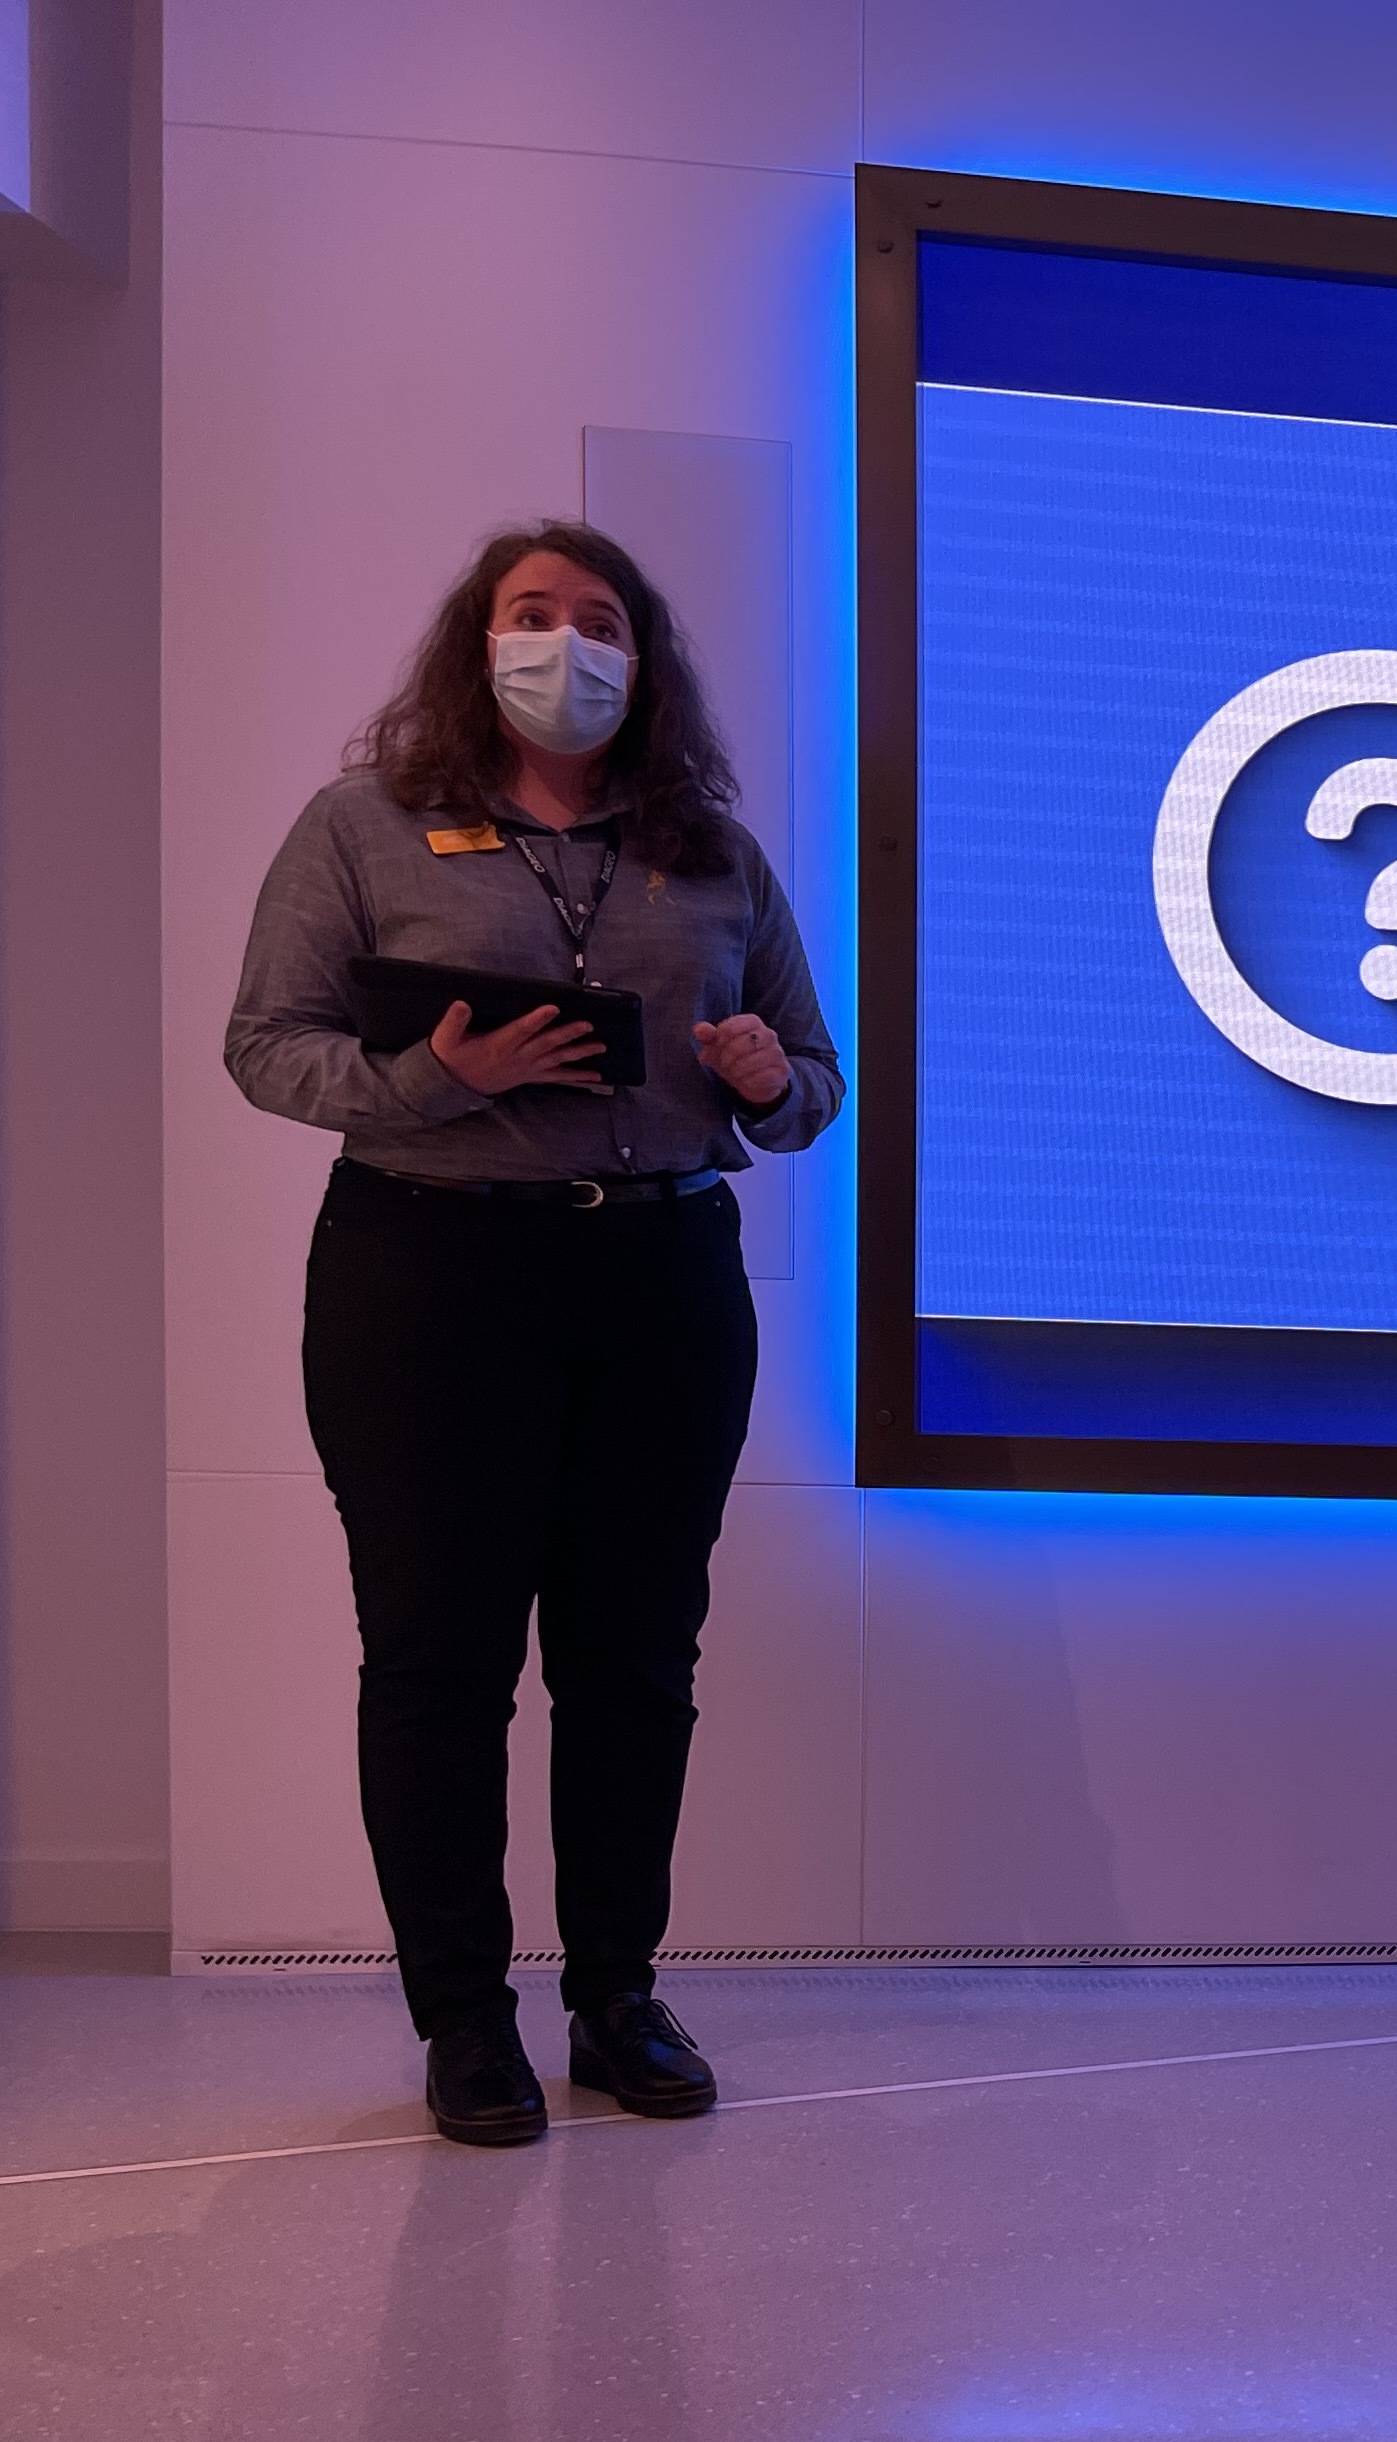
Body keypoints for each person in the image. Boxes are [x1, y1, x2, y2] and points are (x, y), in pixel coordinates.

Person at [224, 522, 842, 2147]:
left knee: (634, 1665)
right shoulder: (363, 825)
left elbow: (814, 1076)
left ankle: (618, 1997)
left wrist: (774, 1088)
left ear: (644, 661)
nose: (566, 645)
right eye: (530, 616)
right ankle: (465, 2019)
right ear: (472, 642)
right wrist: (444, 1079)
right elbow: (264, 1048)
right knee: (440, 1664)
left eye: (600, 623)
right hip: (430, 1282)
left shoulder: (710, 849)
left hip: (661, 1286)